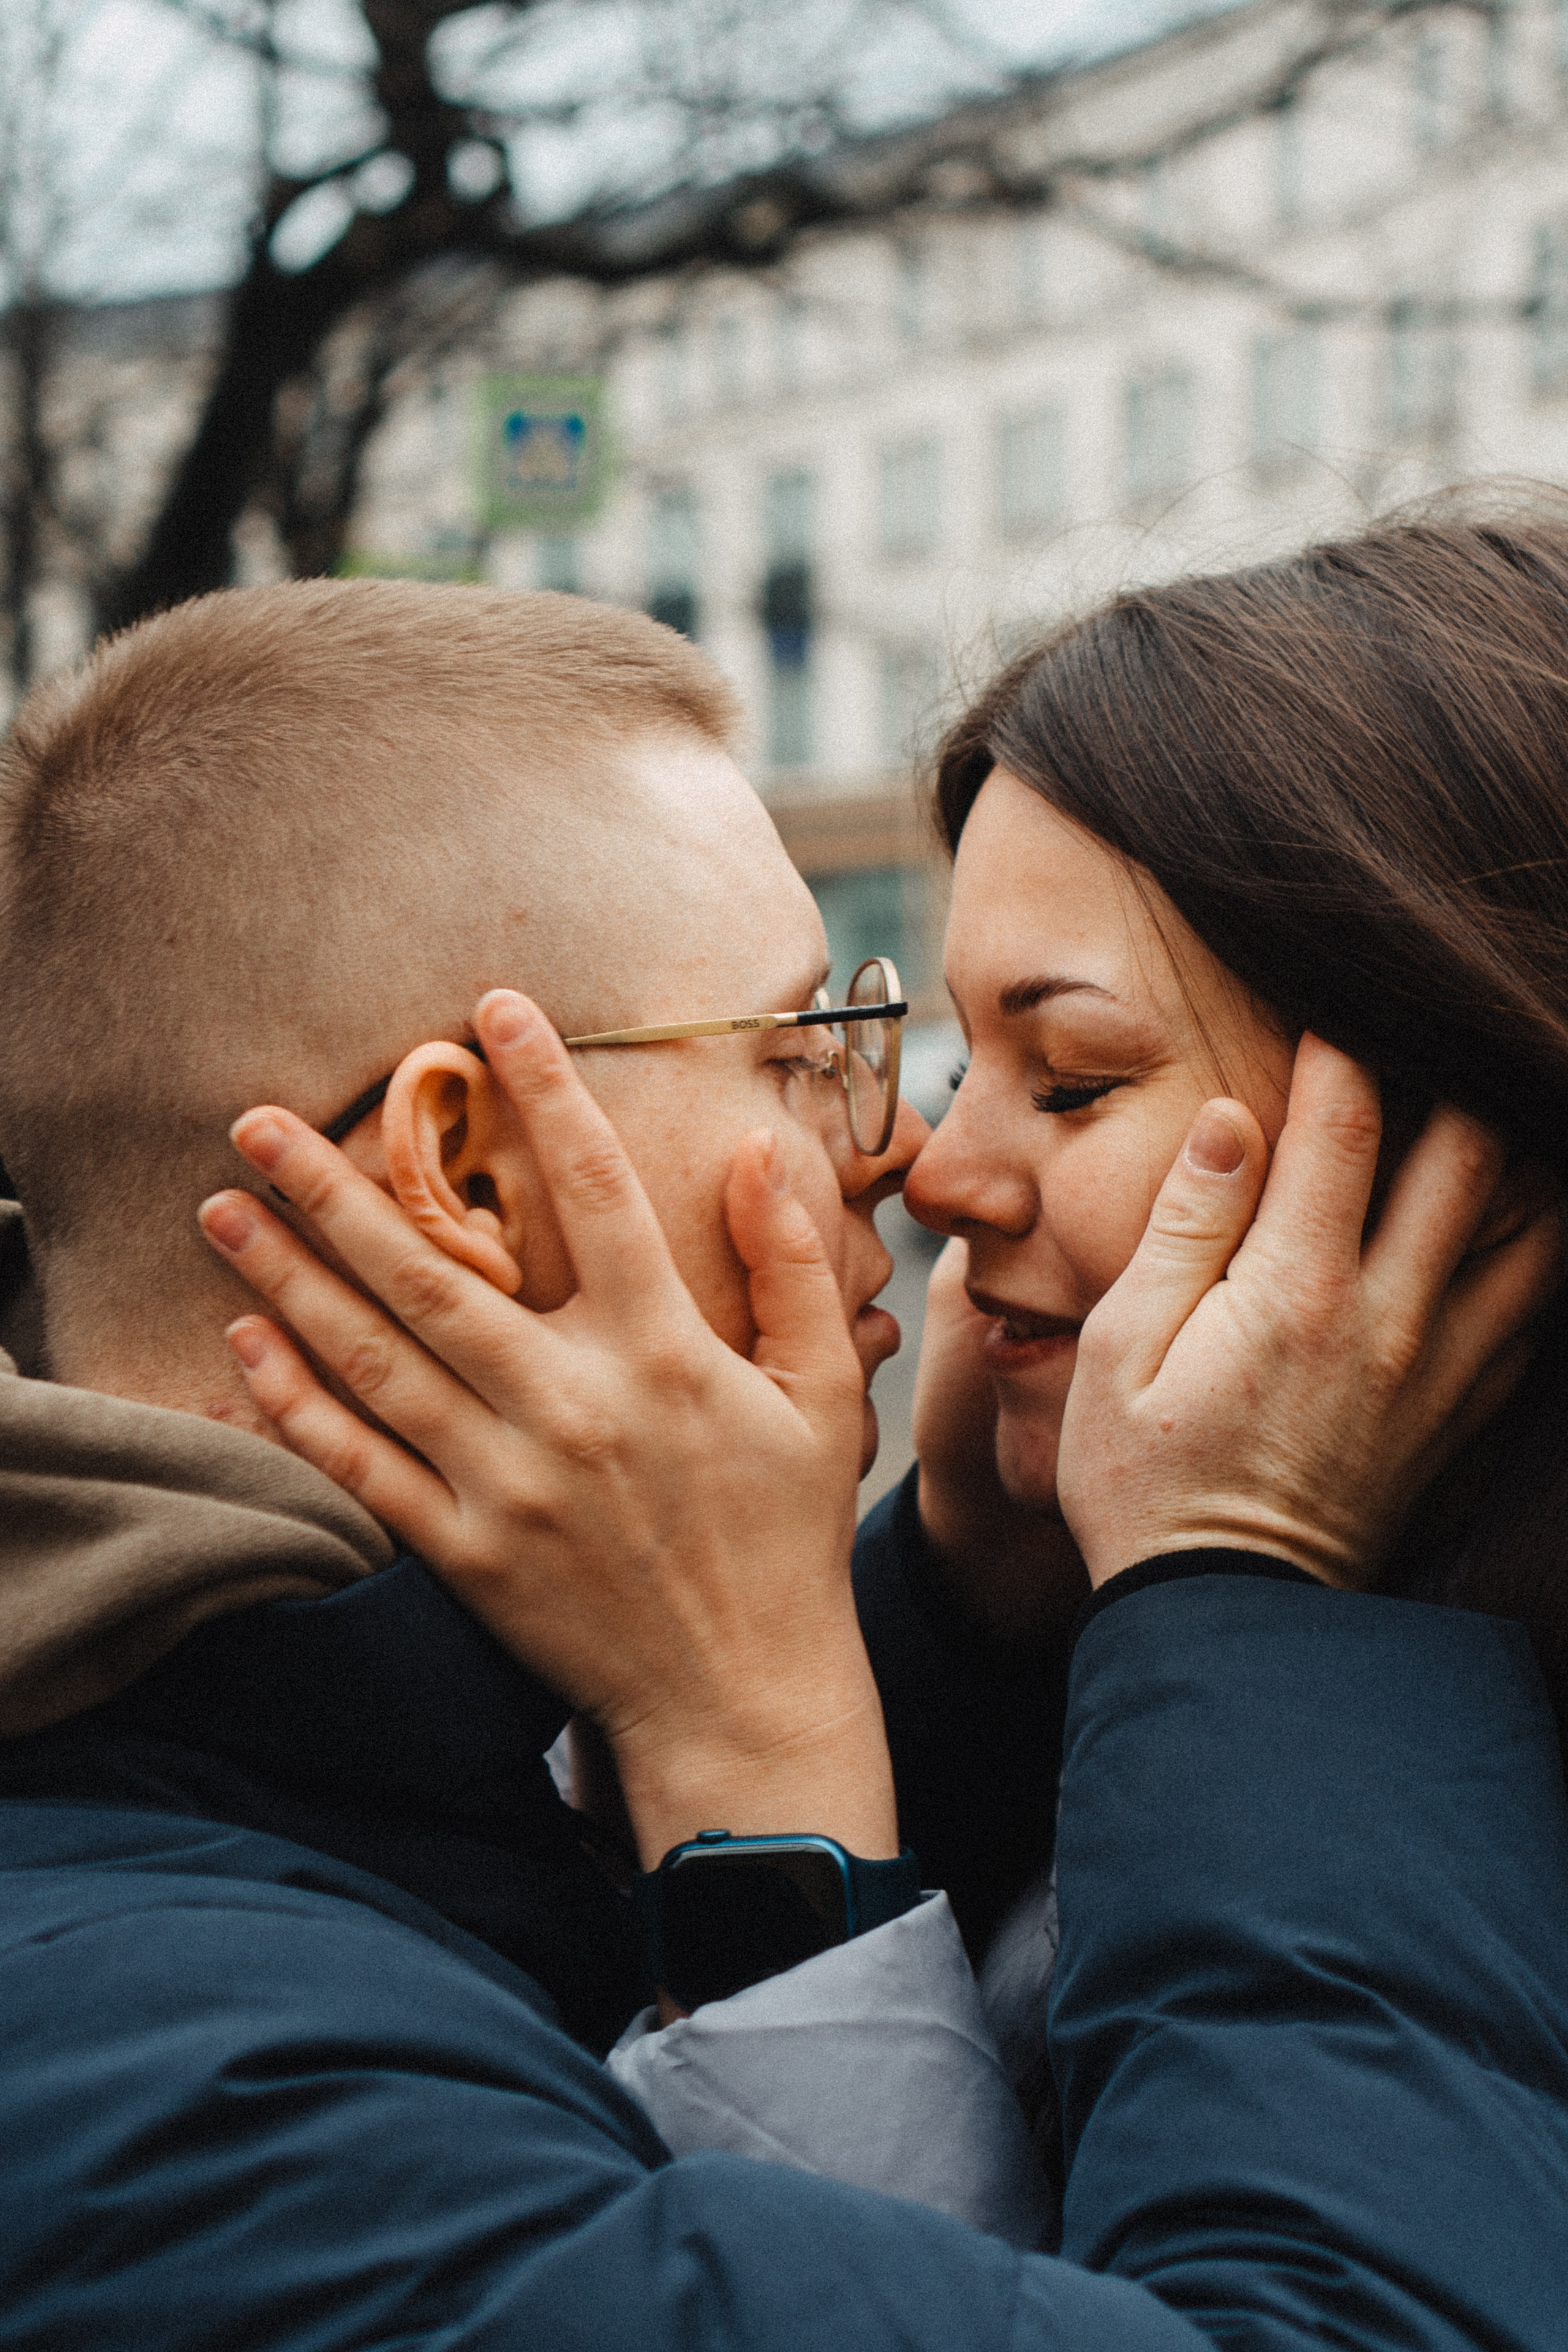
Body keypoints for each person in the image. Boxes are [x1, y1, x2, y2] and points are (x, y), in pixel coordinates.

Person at [1, 569, 1564, 2351]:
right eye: (800, 1049)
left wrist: (952, 1626)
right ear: (476, 1170)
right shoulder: (215, 2107)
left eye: (1054, 1078)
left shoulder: (329, 1816)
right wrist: (1243, 1587)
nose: (904, 1158)